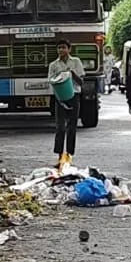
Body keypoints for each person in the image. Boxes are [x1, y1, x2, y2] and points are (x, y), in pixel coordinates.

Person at [48, 40, 85, 168]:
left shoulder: (76, 62)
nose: (61, 50)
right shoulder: (53, 65)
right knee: (60, 128)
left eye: (63, 47)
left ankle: (68, 157)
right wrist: (59, 100)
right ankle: (60, 158)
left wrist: (72, 74)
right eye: (59, 48)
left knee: (72, 128)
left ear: (69, 49)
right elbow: (52, 83)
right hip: (60, 98)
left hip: (74, 96)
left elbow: (81, 82)